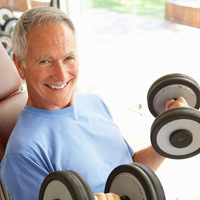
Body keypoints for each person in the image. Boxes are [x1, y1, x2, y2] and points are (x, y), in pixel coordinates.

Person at [0, 6, 188, 200]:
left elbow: (128, 173)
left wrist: (168, 136)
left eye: (68, 58)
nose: (61, 74)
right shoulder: (22, 156)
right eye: (45, 61)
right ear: (19, 65)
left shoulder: (94, 103)